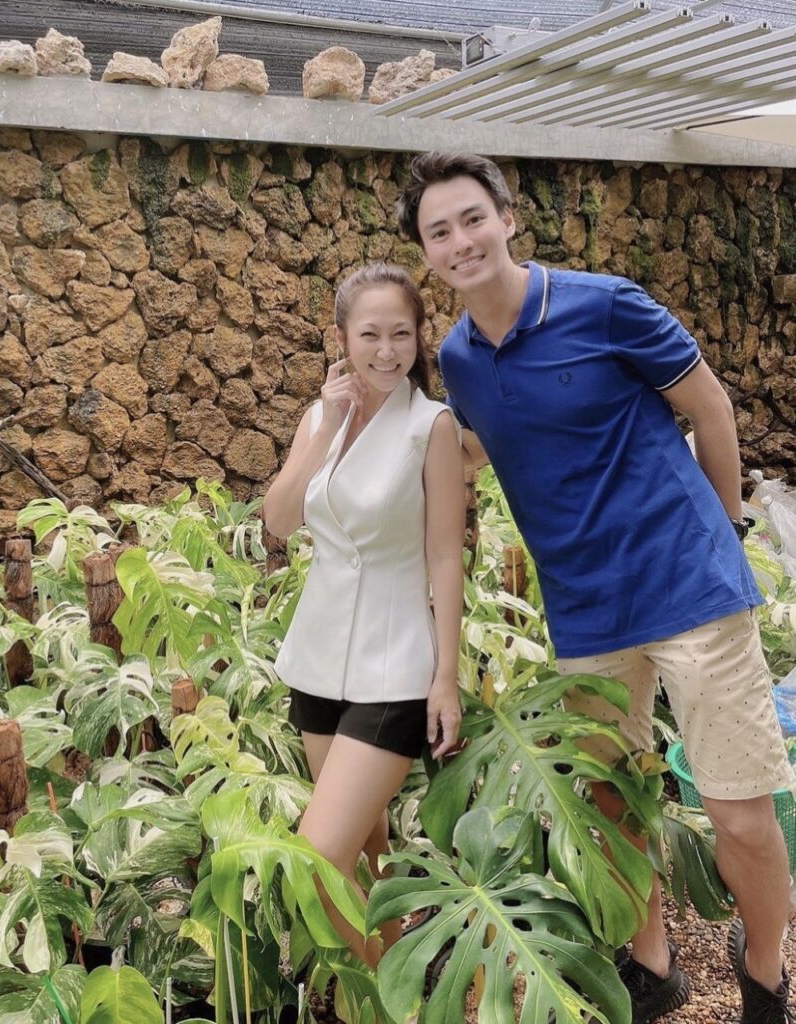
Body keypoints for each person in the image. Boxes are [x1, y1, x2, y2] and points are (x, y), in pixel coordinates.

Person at [396, 151, 794, 1024]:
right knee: (613, 802)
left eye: (472, 218)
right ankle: (651, 963)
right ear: (426, 253)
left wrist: (723, 535)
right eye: (439, 231)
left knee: (738, 812)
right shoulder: (460, 359)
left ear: (508, 218)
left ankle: (765, 972)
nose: (461, 241)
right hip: (584, 611)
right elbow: (478, 448)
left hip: (689, 587)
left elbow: (711, 407)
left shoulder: (605, 303)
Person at [263, 262, 465, 976]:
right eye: (371, 335)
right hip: (318, 659)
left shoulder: (431, 426)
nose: (386, 351)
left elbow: (445, 557)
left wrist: (446, 677)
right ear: (343, 338)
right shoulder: (319, 418)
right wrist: (325, 429)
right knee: (366, 850)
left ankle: (392, 1001)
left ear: (419, 338)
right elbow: (279, 521)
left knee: (319, 855)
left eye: (401, 335)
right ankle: (378, 981)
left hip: (396, 665)